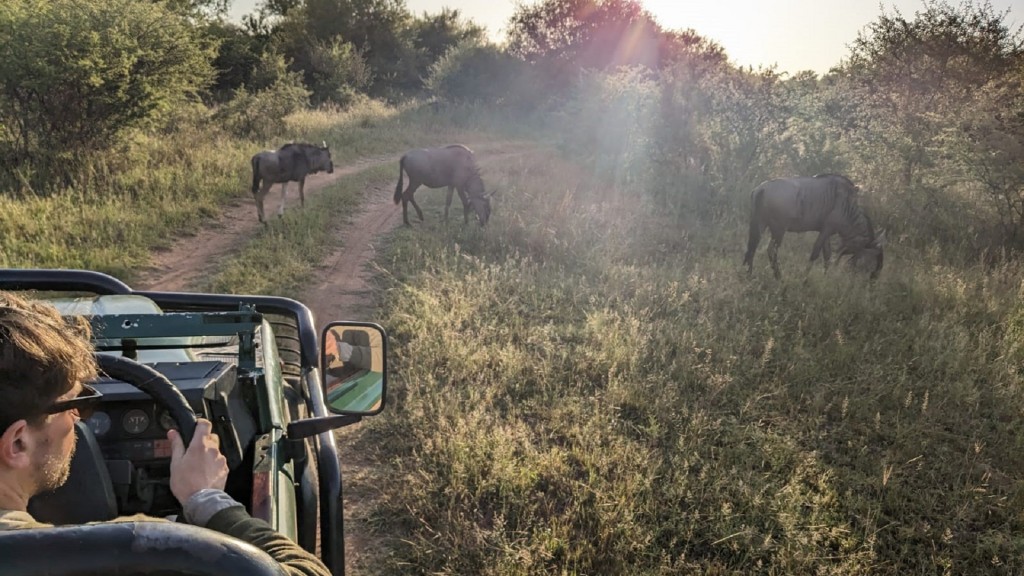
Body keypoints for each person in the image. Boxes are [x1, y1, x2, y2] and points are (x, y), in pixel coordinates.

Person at [0, 291, 329, 576]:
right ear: (17, 443)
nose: (80, 421)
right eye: (76, 405)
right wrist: (205, 499)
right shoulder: (136, 552)